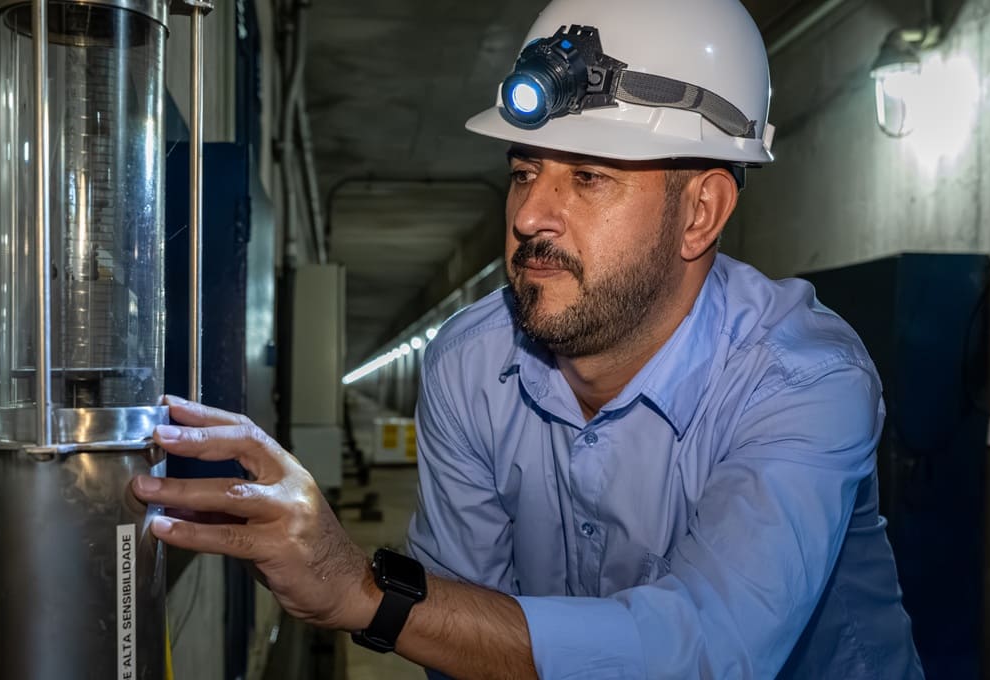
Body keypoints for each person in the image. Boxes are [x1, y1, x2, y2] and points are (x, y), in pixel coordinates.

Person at [132, 0, 924, 677]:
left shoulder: (803, 379)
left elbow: (708, 650)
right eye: (524, 171)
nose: (530, 215)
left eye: (588, 177)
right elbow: (455, 627)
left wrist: (363, 592)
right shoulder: (470, 364)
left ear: (700, 213)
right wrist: (420, 616)